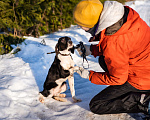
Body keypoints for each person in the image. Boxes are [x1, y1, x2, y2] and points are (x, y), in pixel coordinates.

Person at [73, 0, 150, 116]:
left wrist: (90, 75)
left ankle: (145, 101)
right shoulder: (124, 16)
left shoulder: (113, 42)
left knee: (97, 105)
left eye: (81, 25)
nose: (79, 27)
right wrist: (92, 50)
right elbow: (123, 46)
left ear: (93, 24)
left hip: (143, 79)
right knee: (103, 60)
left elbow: (118, 78)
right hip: (145, 66)